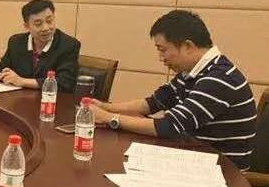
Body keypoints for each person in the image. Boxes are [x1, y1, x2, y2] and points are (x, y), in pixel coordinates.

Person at [89, 10, 256, 170]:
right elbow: (153, 103)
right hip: (194, 158)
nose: (161, 58)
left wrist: (109, 118)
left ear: (187, 46)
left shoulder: (219, 79)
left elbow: (170, 126)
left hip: (222, 173)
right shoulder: (193, 71)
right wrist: (106, 107)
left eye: (163, 50)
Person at [0, 0, 80, 92]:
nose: (46, 28)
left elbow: (65, 82)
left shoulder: (69, 45)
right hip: (19, 98)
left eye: (49, 21)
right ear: (27, 26)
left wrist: (22, 81)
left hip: (52, 99)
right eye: (38, 24)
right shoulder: (16, 42)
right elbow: (1, 68)